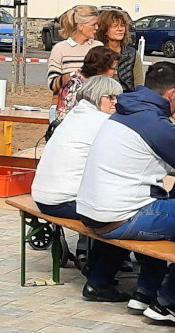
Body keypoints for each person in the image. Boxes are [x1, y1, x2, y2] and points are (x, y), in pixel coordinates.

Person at [76, 62, 175, 333]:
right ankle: (169, 301)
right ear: (172, 95)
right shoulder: (156, 123)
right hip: (119, 217)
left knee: (159, 204)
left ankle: (143, 292)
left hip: (93, 210)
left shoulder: (127, 111)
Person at [31, 76, 127, 301]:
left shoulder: (77, 114)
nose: (115, 103)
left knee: (110, 210)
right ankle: (99, 281)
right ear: (95, 97)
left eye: (117, 98)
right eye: (110, 98)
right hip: (62, 200)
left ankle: (95, 269)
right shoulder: (101, 122)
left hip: (44, 195)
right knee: (125, 219)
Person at [46, 5, 102, 109]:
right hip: (64, 108)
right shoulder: (60, 49)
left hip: (93, 108)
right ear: (81, 26)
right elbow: (52, 84)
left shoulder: (98, 47)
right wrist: (74, 75)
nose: (97, 28)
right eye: (93, 24)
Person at [56, 45, 120, 122]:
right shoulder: (75, 85)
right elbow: (71, 117)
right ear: (100, 69)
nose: (115, 72)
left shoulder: (93, 84)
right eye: (113, 69)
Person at [97, 8, 143, 92]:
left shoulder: (133, 54)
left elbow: (139, 87)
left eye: (122, 25)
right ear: (105, 30)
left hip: (127, 100)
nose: (120, 29)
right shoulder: (98, 53)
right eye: (114, 26)